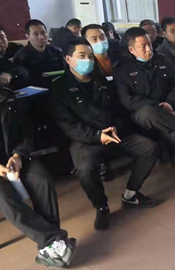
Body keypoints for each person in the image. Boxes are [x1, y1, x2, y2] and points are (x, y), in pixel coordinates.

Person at [0, 54, 76, 267]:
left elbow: (25, 132)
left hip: (11, 156)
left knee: (41, 179)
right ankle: (54, 240)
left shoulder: (6, 97)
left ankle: (50, 247)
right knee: (2, 192)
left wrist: (18, 154)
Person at [53, 39, 161, 230]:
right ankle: (101, 207)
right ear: (68, 59)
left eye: (90, 56)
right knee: (86, 168)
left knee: (148, 148)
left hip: (113, 132)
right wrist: (97, 136)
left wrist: (115, 127)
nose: (88, 60)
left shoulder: (100, 80)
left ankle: (131, 194)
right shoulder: (59, 87)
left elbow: (117, 109)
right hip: (85, 139)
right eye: (82, 56)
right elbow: (67, 124)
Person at [114, 28, 175, 200]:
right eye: (143, 46)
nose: (148, 49)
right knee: (148, 111)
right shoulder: (122, 70)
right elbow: (127, 101)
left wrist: (169, 103)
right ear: (131, 49)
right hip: (140, 118)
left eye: (149, 44)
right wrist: (156, 106)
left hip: (167, 115)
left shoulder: (162, 60)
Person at [13, 19, 63, 86]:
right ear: (28, 36)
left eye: (43, 33)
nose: (41, 37)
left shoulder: (56, 51)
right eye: (35, 34)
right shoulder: (21, 57)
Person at [0, 24, 27, 88]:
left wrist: (10, 74)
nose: (0, 41)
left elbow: (25, 67)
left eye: (2, 37)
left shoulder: (17, 48)